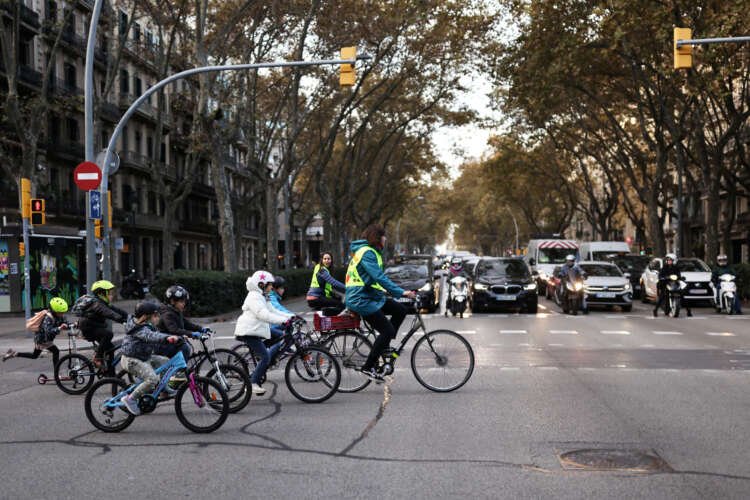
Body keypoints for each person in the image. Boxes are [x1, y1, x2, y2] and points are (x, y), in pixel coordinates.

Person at [345, 224, 416, 382]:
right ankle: (368, 367)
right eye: (384, 236)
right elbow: (378, 277)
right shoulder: (367, 253)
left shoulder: (369, 251)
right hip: (360, 299)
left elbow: (371, 279)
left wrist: (391, 293)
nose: (386, 239)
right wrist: (400, 292)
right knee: (387, 330)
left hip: (369, 295)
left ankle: (384, 348)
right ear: (378, 237)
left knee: (400, 310)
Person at [235, 270, 294, 396]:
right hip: (249, 331)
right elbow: (264, 314)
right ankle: (253, 382)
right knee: (266, 356)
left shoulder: (262, 295)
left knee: (280, 336)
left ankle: (264, 358)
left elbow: (272, 310)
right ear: (261, 285)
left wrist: (290, 316)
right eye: (270, 285)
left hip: (258, 329)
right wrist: (283, 321)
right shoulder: (254, 297)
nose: (272, 287)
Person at [119, 301, 181, 415]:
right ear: (146, 317)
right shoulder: (139, 329)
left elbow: (157, 336)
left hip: (143, 357)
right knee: (152, 379)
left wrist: (176, 337)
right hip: (131, 360)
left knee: (166, 362)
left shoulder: (148, 326)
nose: (158, 318)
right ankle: (130, 399)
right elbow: (151, 336)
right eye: (155, 315)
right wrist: (167, 338)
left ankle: (163, 387)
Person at [73, 280, 129, 368]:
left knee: (110, 348)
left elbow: (117, 311)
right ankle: (98, 358)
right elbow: (109, 313)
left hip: (94, 327)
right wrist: (122, 320)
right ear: (102, 294)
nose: (112, 295)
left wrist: (130, 317)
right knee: (108, 334)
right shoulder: (97, 304)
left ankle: (110, 374)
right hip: (88, 328)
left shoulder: (103, 303)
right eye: (110, 293)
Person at [3, 297, 69, 366]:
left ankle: (13, 353)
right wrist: (59, 328)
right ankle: (56, 372)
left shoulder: (59, 317)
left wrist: (75, 324)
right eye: (60, 312)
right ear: (54, 311)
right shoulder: (48, 318)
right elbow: (48, 331)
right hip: (42, 340)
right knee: (56, 351)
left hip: (46, 339)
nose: (62, 314)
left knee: (34, 356)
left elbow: (65, 324)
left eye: (63, 312)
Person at [156, 285, 207, 361]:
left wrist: (201, 329)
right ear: (172, 301)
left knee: (186, 346)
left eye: (184, 302)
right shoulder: (167, 314)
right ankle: (181, 371)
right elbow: (174, 330)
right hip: (164, 344)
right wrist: (191, 334)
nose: (184, 304)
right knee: (185, 348)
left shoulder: (176, 311)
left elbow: (187, 324)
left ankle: (182, 369)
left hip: (173, 342)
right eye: (181, 301)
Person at [653, 253, 692, 317]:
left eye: (670, 260)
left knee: (682, 295)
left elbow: (679, 275)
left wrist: (681, 278)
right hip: (666, 283)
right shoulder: (664, 267)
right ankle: (655, 310)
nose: (669, 261)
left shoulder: (676, 268)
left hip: (674, 283)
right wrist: (663, 277)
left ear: (674, 261)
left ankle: (688, 311)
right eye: (668, 260)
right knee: (662, 295)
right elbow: (660, 275)